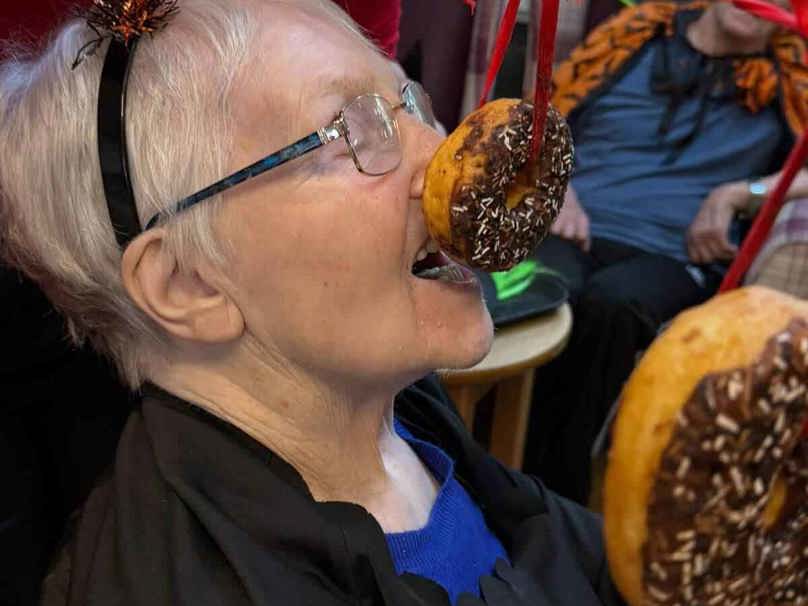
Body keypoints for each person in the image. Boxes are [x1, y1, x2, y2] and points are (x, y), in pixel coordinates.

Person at [0, 1, 625, 604]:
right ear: (191, 284)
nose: (444, 155)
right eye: (350, 132)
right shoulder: (188, 583)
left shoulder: (399, 414)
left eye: (409, 101)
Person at [523, 0, 808, 504]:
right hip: (576, 227)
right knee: (540, 291)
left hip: (675, 254)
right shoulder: (634, 37)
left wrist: (739, 195)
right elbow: (543, 118)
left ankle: (550, 501)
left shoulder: (792, 76)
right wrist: (557, 185)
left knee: (613, 308)